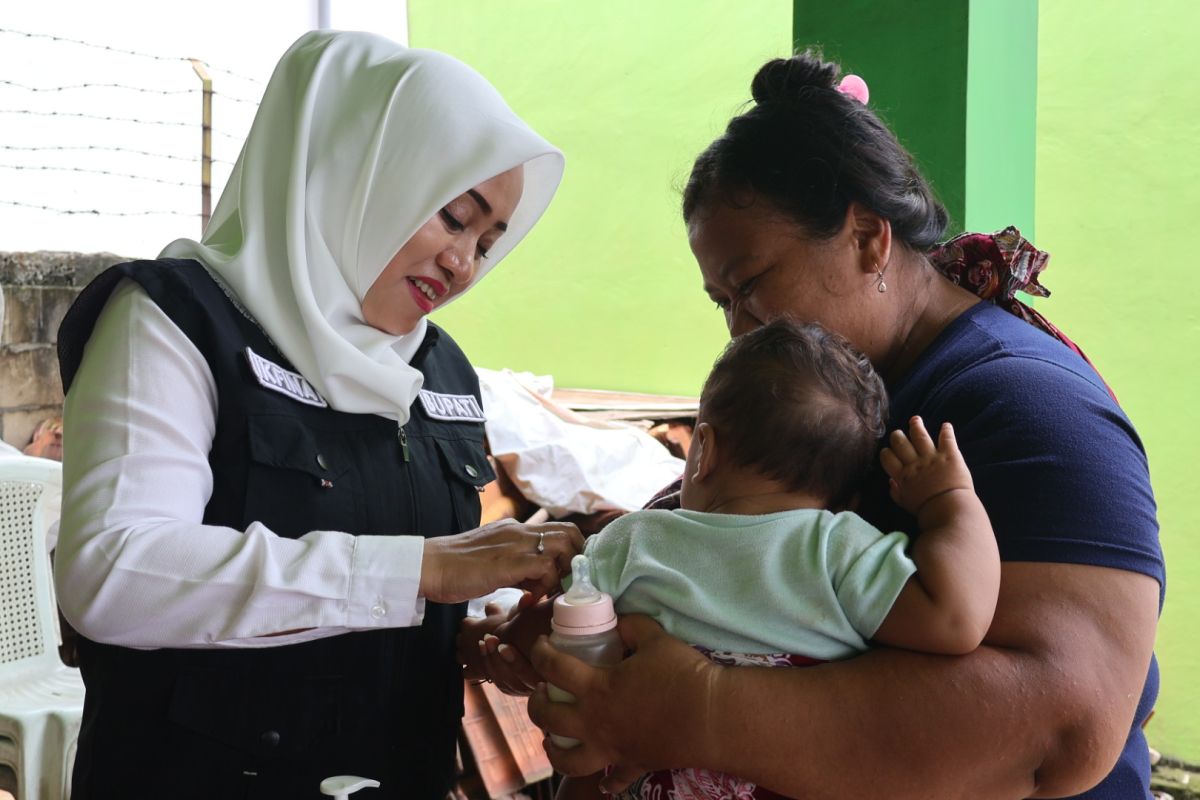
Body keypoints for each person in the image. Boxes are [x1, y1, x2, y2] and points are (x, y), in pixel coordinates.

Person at [526, 52, 1163, 799]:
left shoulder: (1028, 405)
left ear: (868, 237)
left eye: (752, 285)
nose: (739, 330)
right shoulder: (824, 398)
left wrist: (696, 709)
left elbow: (1060, 728)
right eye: (720, 302)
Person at [53, 30, 582, 800]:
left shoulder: (438, 370)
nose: (463, 263)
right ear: (360, 168)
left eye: (488, 242)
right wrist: (425, 569)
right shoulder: (174, 321)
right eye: (452, 216)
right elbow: (114, 572)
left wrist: (467, 638)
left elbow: (375, 594)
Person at [556, 318, 998, 800]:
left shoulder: (632, 539)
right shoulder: (838, 549)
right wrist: (950, 500)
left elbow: (571, 637)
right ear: (847, 497)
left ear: (703, 449)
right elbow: (955, 620)